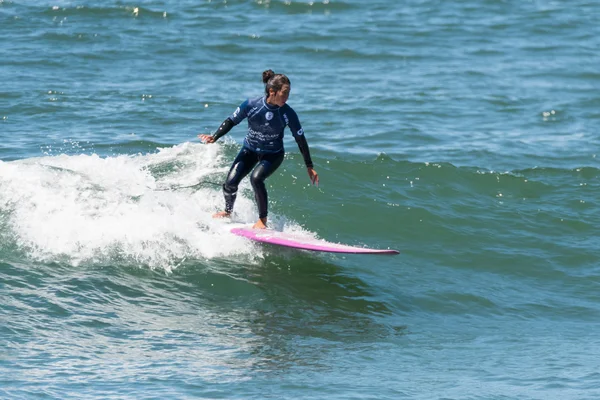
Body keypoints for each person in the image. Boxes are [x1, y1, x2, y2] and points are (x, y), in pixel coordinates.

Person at [199, 69, 319, 229]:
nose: (287, 97)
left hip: (273, 155)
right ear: (272, 91)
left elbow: (300, 139)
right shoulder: (251, 105)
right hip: (249, 150)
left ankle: (262, 220)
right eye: (284, 92)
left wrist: (309, 166)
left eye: (289, 92)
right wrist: (214, 137)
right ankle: (228, 212)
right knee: (230, 184)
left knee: (256, 179)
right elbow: (231, 121)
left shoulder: (288, 113)